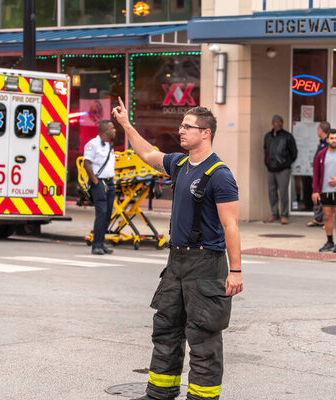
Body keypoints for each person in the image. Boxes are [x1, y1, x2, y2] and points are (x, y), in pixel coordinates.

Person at [112, 98, 242, 400]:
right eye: (181, 125)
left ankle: (202, 397)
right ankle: (159, 393)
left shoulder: (220, 175)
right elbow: (147, 154)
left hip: (207, 264)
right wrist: (126, 124)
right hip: (177, 262)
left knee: (203, 337)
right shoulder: (181, 164)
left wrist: (235, 271)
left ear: (205, 133)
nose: (180, 130)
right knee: (166, 329)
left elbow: (231, 226)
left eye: (187, 127)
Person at [312, 129, 336, 253]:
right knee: (327, 216)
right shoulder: (321, 154)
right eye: (331, 138)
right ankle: (329, 241)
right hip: (324, 190)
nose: (334, 140)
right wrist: (315, 191)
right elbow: (316, 173)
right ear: (327, 140)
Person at [83, 120, 116, 255]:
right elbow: (87, 163)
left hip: (110, 182)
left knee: (108, 214)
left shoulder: (109, 145)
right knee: (101, 213)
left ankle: (101, 244)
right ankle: (96, 245)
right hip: (99, 183)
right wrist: (95, 182)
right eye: (112, 128)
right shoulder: (92, 144)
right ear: (105, 130)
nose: (114, 130)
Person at [263, 114, 298, 224]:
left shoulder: (287, 136)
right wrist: (267, 163)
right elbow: (265, 150)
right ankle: (275, 214)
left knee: (283, 192)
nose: (278, 124)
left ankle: (284, 215)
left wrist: (286, 163)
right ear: (272, 124)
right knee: (272, 192)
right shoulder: (268, 136)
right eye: (276, 122)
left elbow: (294, 153)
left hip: (283, 169)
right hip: (271, 169)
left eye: (280, 122)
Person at [307, 121, 329, 227]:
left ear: (321, 130)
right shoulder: (321, 142)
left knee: (324, 198)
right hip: (318, 174)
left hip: (324, 175)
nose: (317, 131)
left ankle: (326, 220)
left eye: (318, 129)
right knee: (317, 195)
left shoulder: (328, 143)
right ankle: (318, 219)